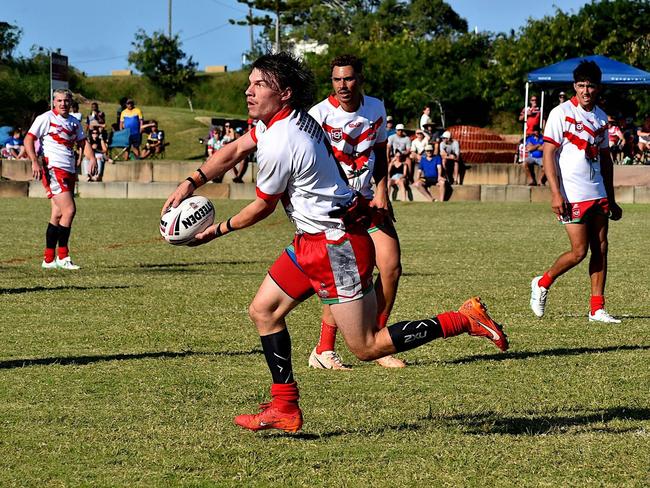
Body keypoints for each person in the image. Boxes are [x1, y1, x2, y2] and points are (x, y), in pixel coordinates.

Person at [161, 52, 509, 433]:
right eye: (250, 82)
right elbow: (236, 149)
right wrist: (191, 181)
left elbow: (262, 206)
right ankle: (284, 406)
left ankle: (464, 319)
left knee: (367, 347)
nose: (249, 90)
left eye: (259, 84)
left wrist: (217, 230)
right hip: (313, 241)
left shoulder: (282, 138)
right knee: (264, 311)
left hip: (336, 246)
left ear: (285, 93)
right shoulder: (287, 119)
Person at [307, 53, 405, 369]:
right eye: (337, 79)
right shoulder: (318, 114)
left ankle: (378, 341)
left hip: (369, 201)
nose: (343, 85)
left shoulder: (376, 107)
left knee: (390, 267)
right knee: (345, 279)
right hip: (336, 207)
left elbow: (379, 150)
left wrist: (382, 191)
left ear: (360, 78)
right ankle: (324, 350)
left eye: (348, 78)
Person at [530, 60, 623, 324]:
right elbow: (549, 154)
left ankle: (597, 308)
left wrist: (612, 198)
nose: (585, 91)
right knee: (578, 252)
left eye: (590, 86)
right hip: (571, 193)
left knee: (601, 248)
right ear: (574, 86)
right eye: (581, 85)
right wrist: (555, 193)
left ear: (598, 88)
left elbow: (605, 161)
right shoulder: (561, 113)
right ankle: (542, 282)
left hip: (598, 191)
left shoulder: (602, 118)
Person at [24, 88, 97, 270]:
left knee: (57, 214)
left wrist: (92, 157)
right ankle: (63, 257)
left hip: (69, 170)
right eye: (59, 101)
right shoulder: (45, 118)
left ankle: (49, 260)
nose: (63, 104)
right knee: (69, 210)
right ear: (53, 102)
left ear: (71, 103)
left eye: (66, 101)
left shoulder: (74, 122)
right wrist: (34, 161)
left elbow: (83, 142)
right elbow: (28, 139)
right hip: (53, 169)